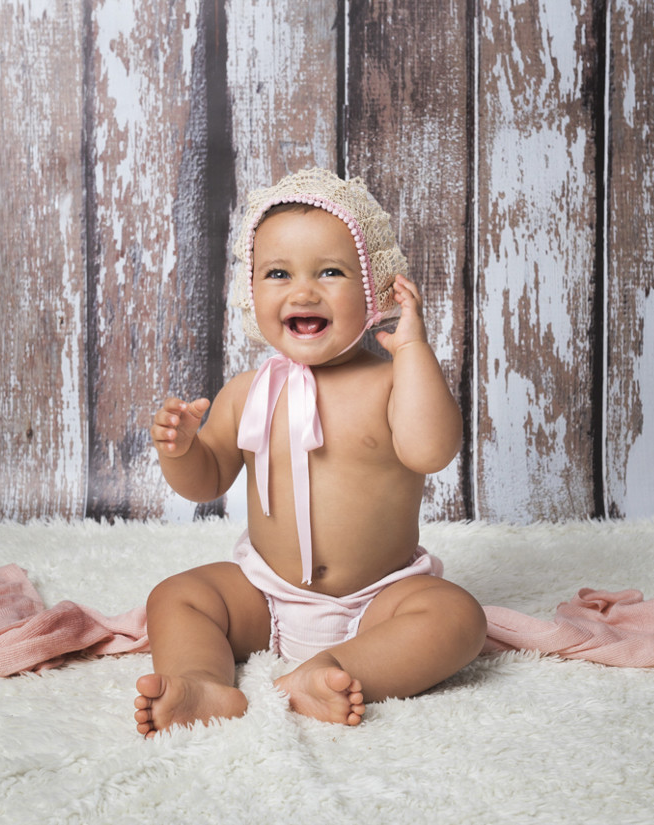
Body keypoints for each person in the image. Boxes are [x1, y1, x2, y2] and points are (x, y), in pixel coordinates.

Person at [134, 169, 488, 738]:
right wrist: (181, 451)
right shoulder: (246, 392)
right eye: (278, 273)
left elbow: (431, 451)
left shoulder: (390, 383)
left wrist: (413, 352)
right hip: (266, 594)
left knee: (457, 617)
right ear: (252, 290)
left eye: (330, 272)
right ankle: (200, 681)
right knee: (177, 596)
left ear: (374, 288)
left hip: (379, 599)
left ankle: (335, 670)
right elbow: (208, 481)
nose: (303, 292)